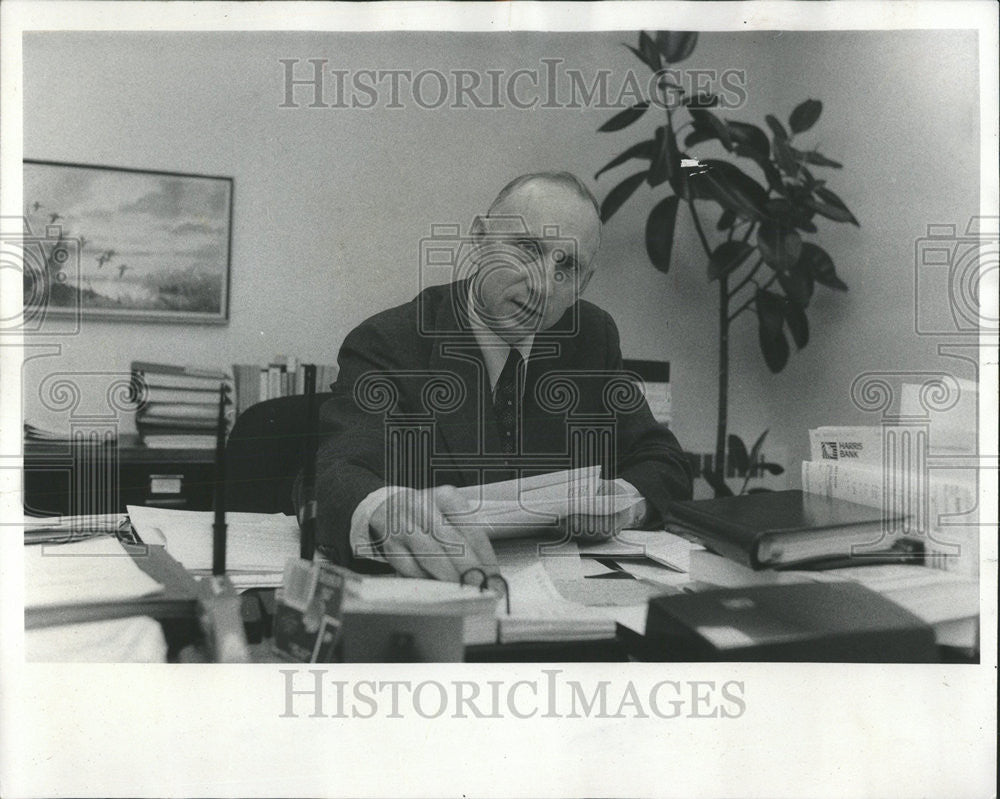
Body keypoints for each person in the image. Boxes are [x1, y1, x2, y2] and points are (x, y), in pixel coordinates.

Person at [298, 172, 693, 580]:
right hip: (441, 591)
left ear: (583, 284)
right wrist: (380, 507)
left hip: (559, 596)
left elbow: (664, 463)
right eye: (526, 248)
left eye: (568, 266)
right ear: (479, 239)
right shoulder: (390, 341)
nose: (542, 284)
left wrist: (623, 501)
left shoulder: (592, 337)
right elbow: (333, 475)